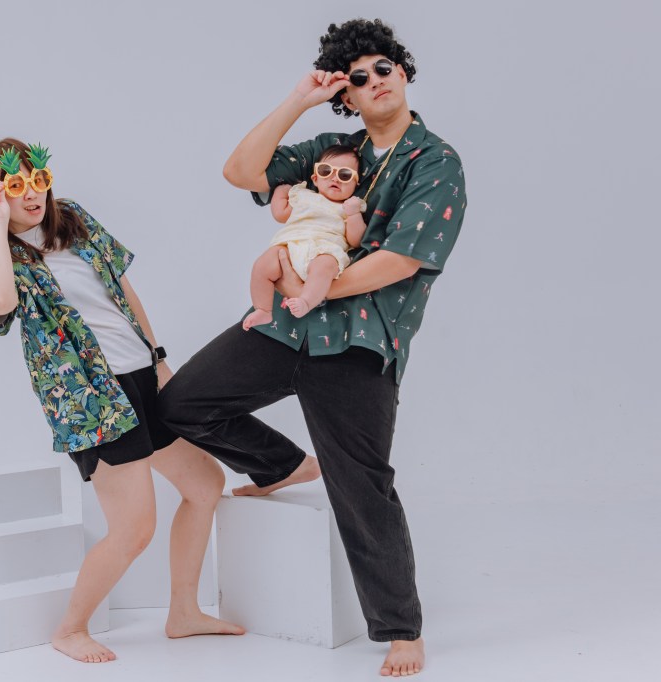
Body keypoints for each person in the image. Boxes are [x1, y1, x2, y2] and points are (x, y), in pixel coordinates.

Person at [160, 18, 466, 677]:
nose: (375, 80)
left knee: (362, 484)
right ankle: (280, 466)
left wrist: (309, 290)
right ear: (344, 95)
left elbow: (401, 260)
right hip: (281, 327)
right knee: (182, 403)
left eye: (384, 67)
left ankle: (401, 630)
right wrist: (299, 99)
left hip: (359, 341)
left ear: (403, 72)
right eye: (357, 77)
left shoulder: (435, 162)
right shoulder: (331, 150)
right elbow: (240, 170)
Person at [0, 138, 244, 664]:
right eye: (16, 186)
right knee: (134, 528)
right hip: (93, 402)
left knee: (205, 484)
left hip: (140, 375)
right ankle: (70, 629)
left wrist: (158, 359)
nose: (33, 195)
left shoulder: (72, 219)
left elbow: (123, 290)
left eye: (39, 180)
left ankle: (184, 612)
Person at [242, 144, 366, 330]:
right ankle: (263, 309)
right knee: (262, 265)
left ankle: (306, 301)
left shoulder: (348, 207)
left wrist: (354, 214)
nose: (335, 178)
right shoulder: (303, 196)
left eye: (345, 175)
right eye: (326, 171)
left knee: (324, 267)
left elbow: (355, 240)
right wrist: (281, 191)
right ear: (315, 178)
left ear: (356, 184)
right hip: (291, 245)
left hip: (324, 250)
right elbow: (280, 214)